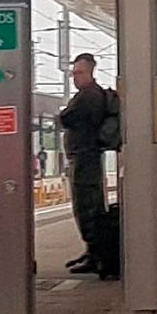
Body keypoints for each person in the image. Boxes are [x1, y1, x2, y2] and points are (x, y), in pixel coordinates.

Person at [58, 52, 121, 277]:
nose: (75, 77)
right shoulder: (90, 95)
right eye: (73, 73)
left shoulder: (88, 96)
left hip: (85, 157)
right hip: (87, 156)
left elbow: (64, 118)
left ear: (91, 72)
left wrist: (64, 114)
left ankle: (95, 254)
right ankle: (92, 251)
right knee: (89, 204)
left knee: (87, 206)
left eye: (80, 72)